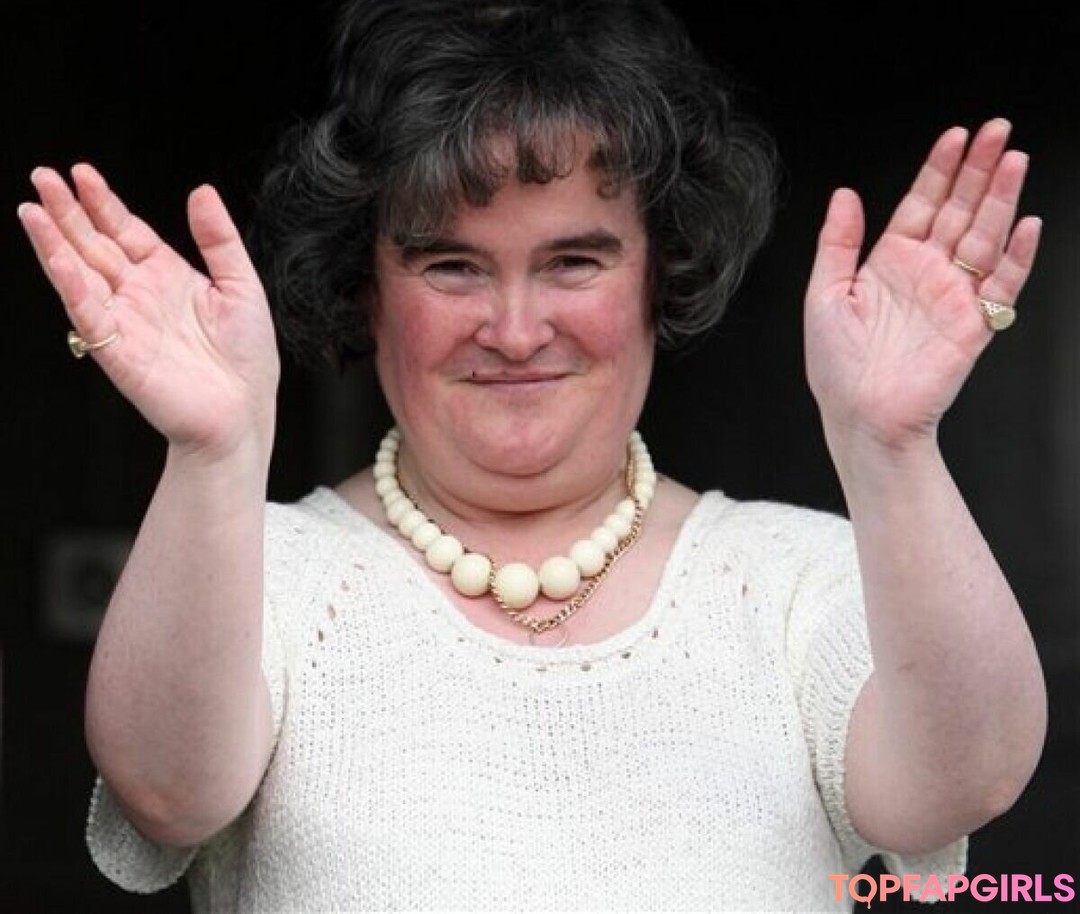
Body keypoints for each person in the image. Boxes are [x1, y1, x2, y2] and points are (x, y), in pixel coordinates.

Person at [18, 0, 1048, 910]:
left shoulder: (798, 579)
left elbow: (967, 780)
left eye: (573, 261)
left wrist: (891, 447)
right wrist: (213, 451)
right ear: (369, 288)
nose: (514, 331)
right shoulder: (256, 574)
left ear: (658, 274)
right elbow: (167, 790)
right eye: (452, 265)